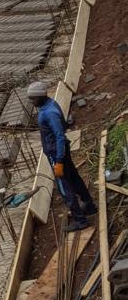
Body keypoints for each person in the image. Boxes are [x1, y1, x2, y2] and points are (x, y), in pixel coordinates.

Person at [27, 80, 96, 231]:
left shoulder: (49, 113)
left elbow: (59, 136)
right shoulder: (50, 104)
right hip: (61, 151)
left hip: (57, 155)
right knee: (74, 178)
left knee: (64, 188)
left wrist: (58, 160)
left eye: (33, 98)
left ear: (40, 96)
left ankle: (80, 220)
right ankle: (89, 207)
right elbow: (63, 125)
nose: (31, 102)